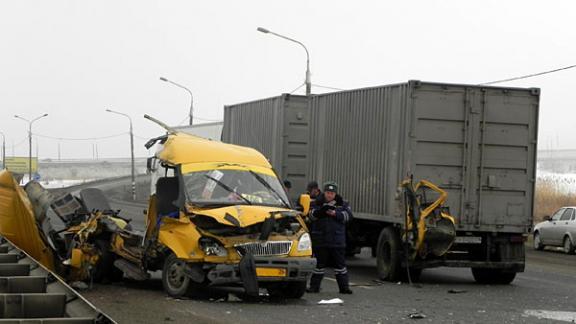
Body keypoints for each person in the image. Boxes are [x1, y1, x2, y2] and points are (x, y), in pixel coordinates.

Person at [307, 181, 353, 294]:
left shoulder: (342, 203)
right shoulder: (316, 202)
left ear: (335, 194)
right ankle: (314, 287)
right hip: (321, 240)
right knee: (319, 266)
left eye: (332, 193)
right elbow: (310, 216)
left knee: (340, 266)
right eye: (327, 192)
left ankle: (344, 288)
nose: (329, 195)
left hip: (337, 240)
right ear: (324, 192)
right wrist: (321, 212)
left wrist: (336, 214)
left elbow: (348, 217)